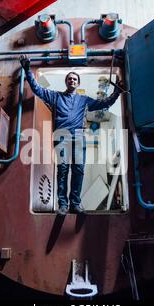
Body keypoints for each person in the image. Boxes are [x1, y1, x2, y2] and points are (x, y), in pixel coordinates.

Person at [19, 55, 124, 215]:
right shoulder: (55, 96)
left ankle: (75, 203)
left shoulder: (84, 100)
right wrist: (27, 70)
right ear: (66, 82)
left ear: (78, 83)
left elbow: (105, 103)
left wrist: (117, 91)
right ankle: (63, 204)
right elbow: (37, 89)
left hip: (79, 138)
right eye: (70, 78)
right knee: (62, 170)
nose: (72, 80)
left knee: (79, 170)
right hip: (61, 137)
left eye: (75, 79)